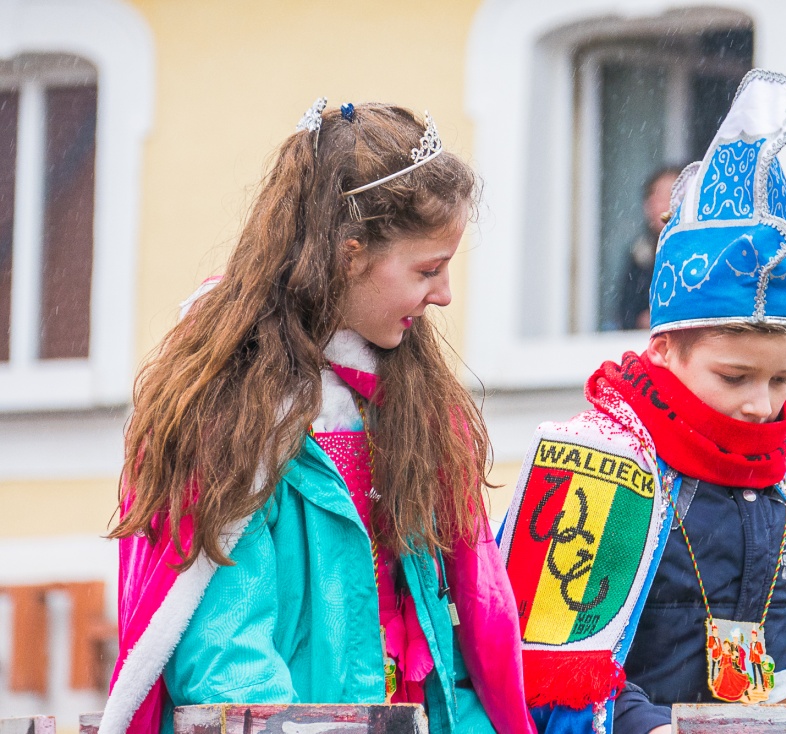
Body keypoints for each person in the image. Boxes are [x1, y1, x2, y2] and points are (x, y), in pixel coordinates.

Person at [495, 70, 786, 734]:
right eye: (735, 377)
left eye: (783, 380)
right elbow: (544, 675)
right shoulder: (594, 472)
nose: (762, 404)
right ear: (663, 347)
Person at [101, 101, 535, 734]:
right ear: (350, 255)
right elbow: (228, 660)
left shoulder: (412, 405)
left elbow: (449, 650)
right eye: (428, 269)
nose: (444, 294)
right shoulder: (238, 417)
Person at [615, 167, 680, 331]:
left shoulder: (704, 253)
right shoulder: (640, 254)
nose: (665, 205)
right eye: (658, 197)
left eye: (673, 196)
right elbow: (627, 313)